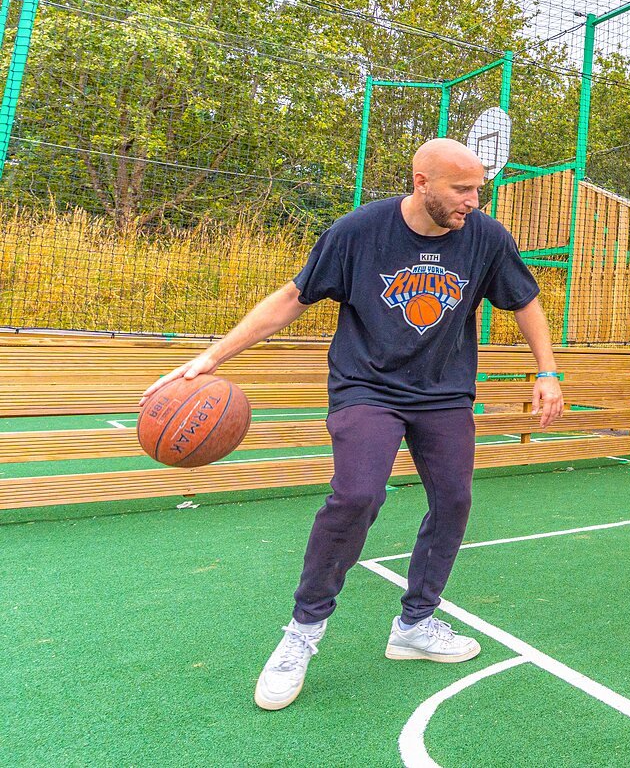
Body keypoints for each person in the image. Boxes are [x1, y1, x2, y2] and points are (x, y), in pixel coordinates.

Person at [141, 138, 564, 710]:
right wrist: (214, 356)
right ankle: (302, 633)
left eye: (479, 189)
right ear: (421, 182)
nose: (474, 200)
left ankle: (415, 624)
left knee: (454, 500)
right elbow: (293, 297)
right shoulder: (359, 231)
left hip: (442, 393)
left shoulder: (486, 237)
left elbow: (525, 301)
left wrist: (547, 372)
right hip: (367, 387)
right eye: (462, 190)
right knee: (357, 496)